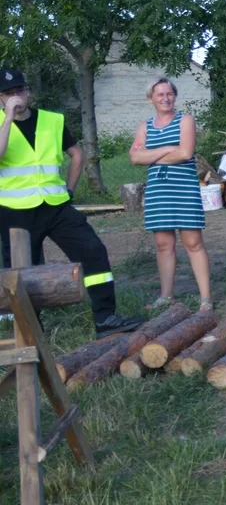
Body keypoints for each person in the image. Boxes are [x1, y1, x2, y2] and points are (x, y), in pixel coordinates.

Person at [0, 67, 142, 336]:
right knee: (21, 274)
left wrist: (69, 190)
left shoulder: (52, 120)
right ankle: (31, 333)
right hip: (14, 213)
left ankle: (105, 318)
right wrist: (7, 118)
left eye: (19, 90)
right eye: (7, 93)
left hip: (55, 206)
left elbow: (77, 154)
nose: (15, 96)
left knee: (93, 251)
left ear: (28, 92)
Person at [129, 77, 213, 312]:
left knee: (193, 242)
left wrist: (152, 154)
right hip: (158, 191)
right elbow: (134, 157)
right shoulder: (144, 126)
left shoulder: (185, 120)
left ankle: (205, 298)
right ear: (151, 99)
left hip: (184, 189)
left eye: (169, 94)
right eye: (160, 95)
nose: (165, 98)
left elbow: (185, 153)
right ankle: (166, 296)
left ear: (174, 96)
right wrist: (167, 149)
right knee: (163, 244)